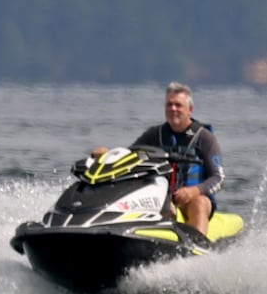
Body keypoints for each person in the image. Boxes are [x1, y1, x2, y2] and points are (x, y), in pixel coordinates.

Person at [93, 82, 225, 235]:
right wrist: (107, 154)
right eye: (169, 105)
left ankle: (197, 247)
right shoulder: (156, 135)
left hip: (193, 201)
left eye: (178, 105)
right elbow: (129, 158)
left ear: (190, 110)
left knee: (199, 203)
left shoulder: (204, 138)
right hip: (162, 196)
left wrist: (195, 191)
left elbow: (218, 178)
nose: (173, 109)